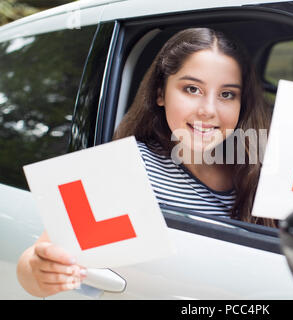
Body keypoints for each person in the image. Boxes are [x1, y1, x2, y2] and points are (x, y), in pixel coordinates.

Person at [16, 27, 274, 298]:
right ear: (161, 93)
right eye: (192, 89)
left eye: (226, 94)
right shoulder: (123, 166)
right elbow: (36, 263)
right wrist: (37, 270)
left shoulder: (260, 165)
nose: (208, 110)